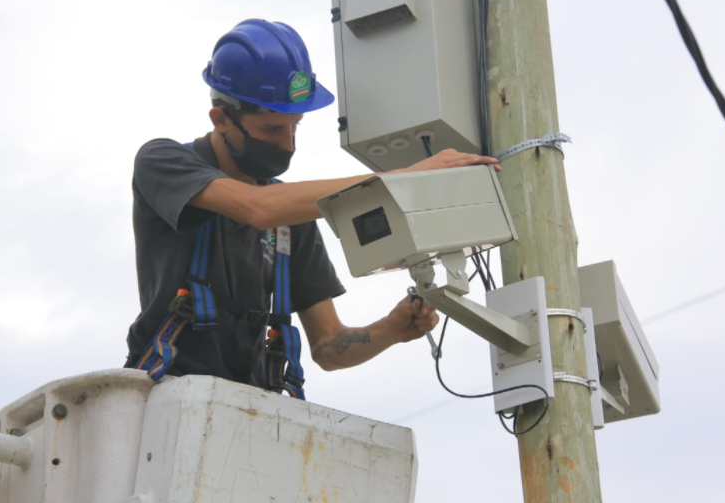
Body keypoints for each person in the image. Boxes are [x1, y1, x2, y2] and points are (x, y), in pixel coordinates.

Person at [124, 19, 499, 397]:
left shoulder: (290, 222)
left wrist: (391, 329)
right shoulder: (162, 162)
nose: (288, 145)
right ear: (221, 119)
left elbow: (328, 346)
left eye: (296, 126)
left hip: (244, 409)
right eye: (272, 129)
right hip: (161, 399)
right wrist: (401, 179)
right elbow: (257, 208)